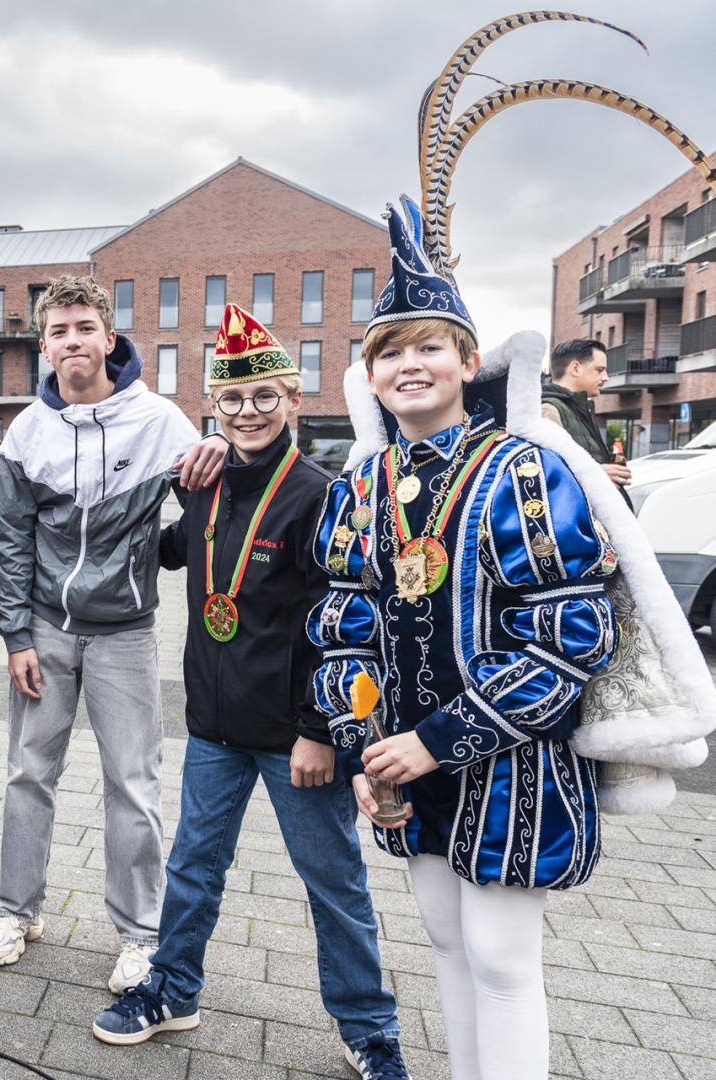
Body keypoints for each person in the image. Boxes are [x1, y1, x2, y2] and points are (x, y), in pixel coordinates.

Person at [310, 197, 618, 1080]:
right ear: (370, 377)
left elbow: (569, 639)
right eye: (389, 353)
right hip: (403, 766)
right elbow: (343, 628)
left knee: (500, 961)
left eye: (428, 348)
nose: (409, 365)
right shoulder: (358, 485)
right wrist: (364, 749)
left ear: (468, 362)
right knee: (444, 944)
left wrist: (437, 739)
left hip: (509, 763)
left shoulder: (525, 471)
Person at [89, 303, 409, 1076]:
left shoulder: (318, 494)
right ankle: (172, 990)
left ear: (293, 399)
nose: (247, 411)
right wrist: (164, 477)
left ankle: (369, 1029)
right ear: (213, 405)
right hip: (213, 727)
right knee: (193, 867)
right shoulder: (203, 483)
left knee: (331, 882)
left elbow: (341, 623)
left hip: (295, 736)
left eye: (265, 395)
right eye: (231, 398)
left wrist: (318, 731)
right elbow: (167, 549)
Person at [0, 273, 227, 992]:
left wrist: (218, 448)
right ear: (44, 346)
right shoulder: (27, 431)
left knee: (133, 783)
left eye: (84, 327)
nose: (72, 341)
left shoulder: (160, 422)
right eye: (58, 331)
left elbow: (215, 511)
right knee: (28, 774)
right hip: (46, 631)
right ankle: (14, 911)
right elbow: (11, 542)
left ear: (108, 337)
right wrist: (15, 637)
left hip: (126, 631)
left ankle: (141, 935)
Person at [540, 338, 632, 492]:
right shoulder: (549, 410)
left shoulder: (580, 409)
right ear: (575, 368)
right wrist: (596, 473)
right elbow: (542, 470)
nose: (606, 377)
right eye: (599, 370)